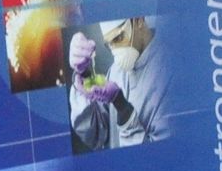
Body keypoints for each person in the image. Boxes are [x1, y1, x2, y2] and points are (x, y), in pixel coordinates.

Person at [69, 15, 171, 149]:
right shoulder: (117, 71)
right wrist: (84, 74)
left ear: (139, 20)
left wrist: (122, 106)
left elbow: (157, 163)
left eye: (118, 38)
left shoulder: (170, 74)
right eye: (109, 45)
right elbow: (95, 134)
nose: (116, 52)